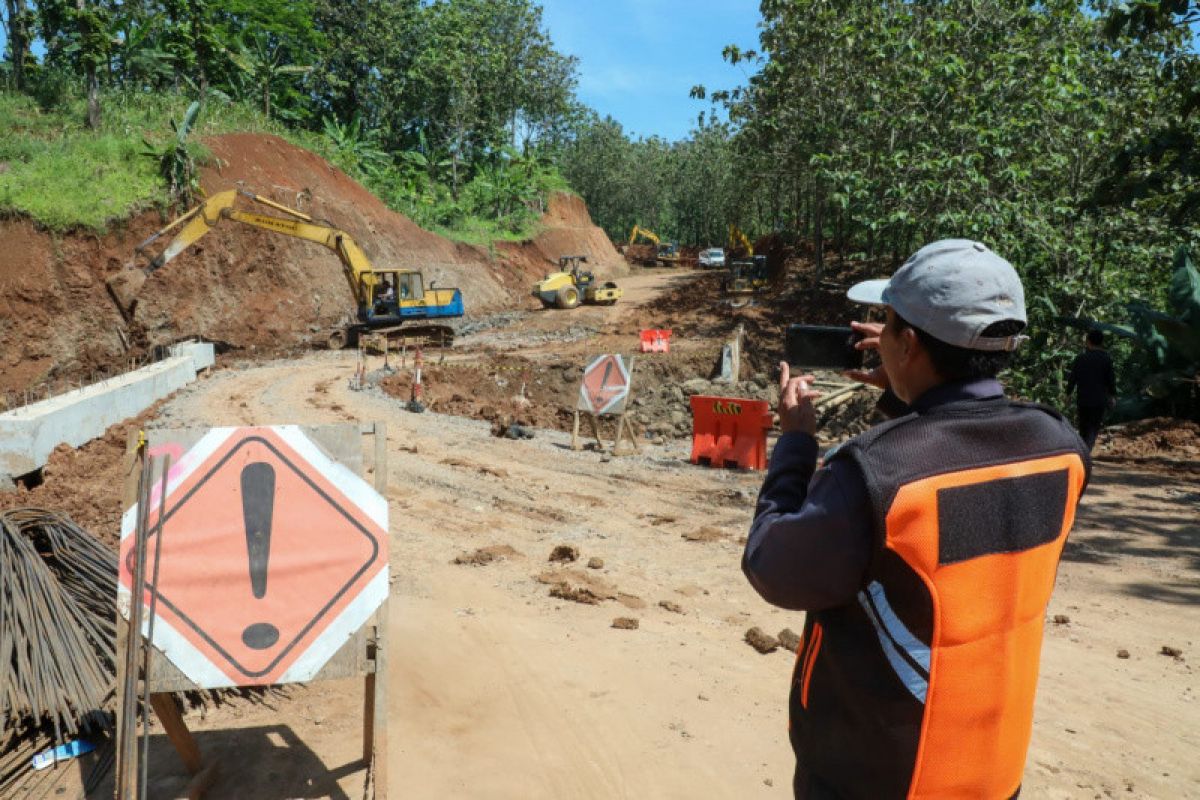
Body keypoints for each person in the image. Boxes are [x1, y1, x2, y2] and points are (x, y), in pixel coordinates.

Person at [743, 239, 1091, 799]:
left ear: (907, 343)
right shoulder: (1059, 447)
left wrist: (795, 445)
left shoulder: (875, 473)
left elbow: (771, 565)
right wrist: (911, 395)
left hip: (877, 776)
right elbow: (961, 485)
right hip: (991, 767)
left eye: (888, 325)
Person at [1066, 329, 1116, 451]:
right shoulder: (1106, 359)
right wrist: (1112, 396)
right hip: (1099, 400)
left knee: (1084, 427)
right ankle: (1087, 451)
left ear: (1088, 341)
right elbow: (1110, 380)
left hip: (1083, 399)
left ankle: (1084, 451)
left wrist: (1068, 394)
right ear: (1101, 342)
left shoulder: (1081, 358)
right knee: (1094, 428)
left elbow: (1073, 378)